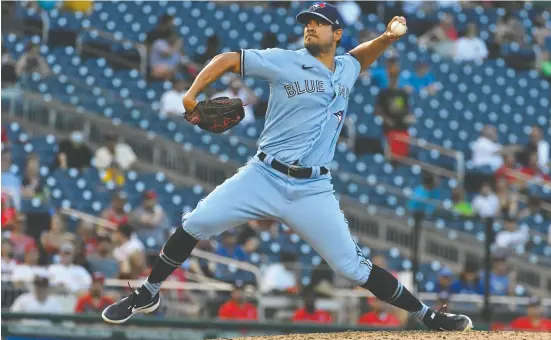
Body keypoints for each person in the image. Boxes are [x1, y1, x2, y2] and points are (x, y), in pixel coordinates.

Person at [103, 3, 472, 331]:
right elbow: (230, 59)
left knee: (353, 268)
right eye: (308, 22)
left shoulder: (346, 68)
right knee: (195, 223)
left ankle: (427, 316)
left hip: (313, 189)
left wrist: (388, 36)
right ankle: (147, 294)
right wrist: (192, 93)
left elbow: (364, 55)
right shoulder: (284, 60)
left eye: (320, 22)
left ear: (336, 33)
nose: (310, 26)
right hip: (263, 174)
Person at [375, 55, 415, 159]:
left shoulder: (402, 93)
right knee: (392, 156)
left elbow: (406, 110)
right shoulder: (384, 93)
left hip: (402, 129)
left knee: (403, 157)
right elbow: (378, 110)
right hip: (390, 130)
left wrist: (409, 117)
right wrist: (386, 119)